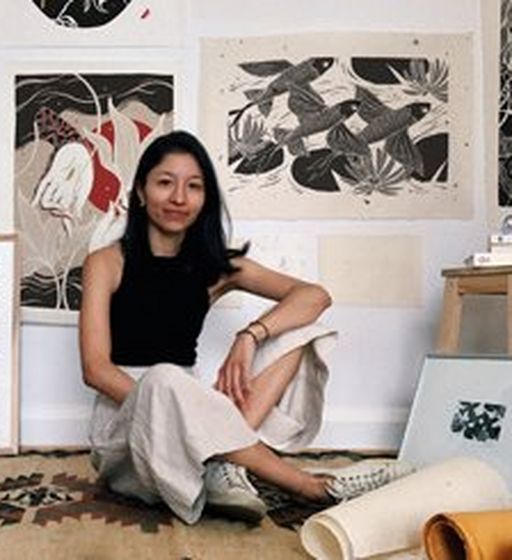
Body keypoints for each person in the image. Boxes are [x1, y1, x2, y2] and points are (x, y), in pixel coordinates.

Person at [79, 130, 410, 525]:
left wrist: (249, 335)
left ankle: (222, 461)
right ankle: (310, 486)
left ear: (206, 199)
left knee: (303, 332)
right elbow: (95, 369)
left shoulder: (216, 268)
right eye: (165, 183)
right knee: (164, 380)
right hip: (127, 425)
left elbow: (314, 296)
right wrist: (178, 415)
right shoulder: (106, 262)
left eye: (194, 186)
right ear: (140, 192)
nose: (179, 198)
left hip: (192, 410)